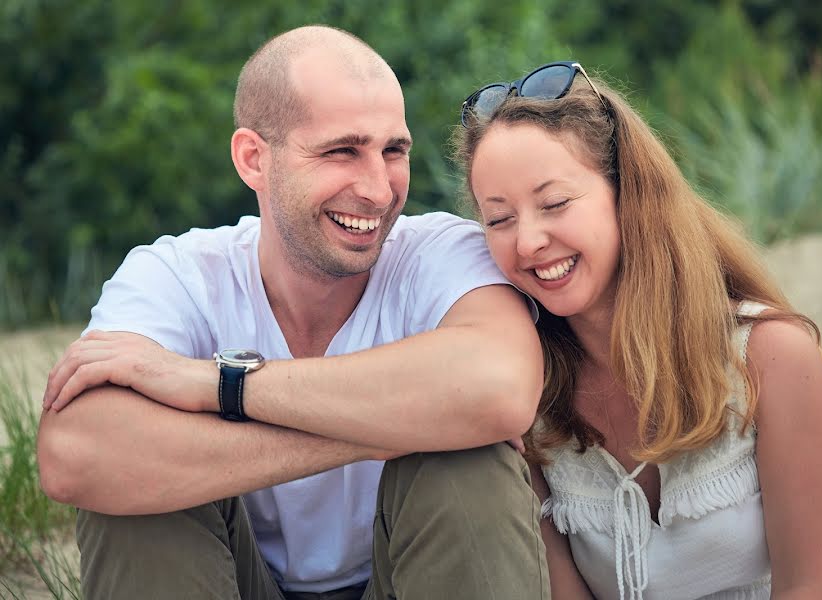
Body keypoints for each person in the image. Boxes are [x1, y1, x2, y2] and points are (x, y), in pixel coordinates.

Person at [37, 26, 552, 600]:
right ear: (254, 159)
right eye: (342, 150)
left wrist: (218, 384)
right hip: (230, 576)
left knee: (470, 470)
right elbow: (74, 455)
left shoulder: (439, 253)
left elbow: (501, 388)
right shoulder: (177, 273)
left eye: (393, 151)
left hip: (404, 576)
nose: (379, 190)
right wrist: (392, 429)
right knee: (130, 492)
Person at [452, 61, 822, 599]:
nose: (527, 242)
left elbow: (813, 587)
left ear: (626, 193)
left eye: (555, 203)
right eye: (499, 219)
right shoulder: (527, 395)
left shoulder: (770, 356)